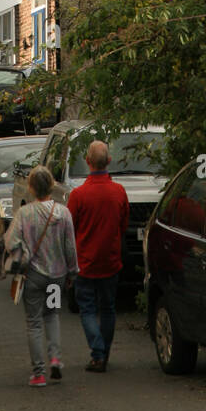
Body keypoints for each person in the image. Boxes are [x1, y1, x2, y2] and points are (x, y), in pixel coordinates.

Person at [4, 165, 78, 387]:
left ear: (31, 187)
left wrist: (23, 251)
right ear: (52, 186)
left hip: (33, 276)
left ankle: (38, 373)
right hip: (56, 276)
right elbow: (70, 247)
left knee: (34, 322)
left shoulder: (24, 213)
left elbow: (10, 242)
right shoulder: (63, 213)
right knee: (52, 315)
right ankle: (55, 358)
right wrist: (72, 271)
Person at [67, 140, 128, 373]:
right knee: (108, 308)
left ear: (87, 162)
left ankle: (98, 351)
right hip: (111, 260)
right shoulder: (119, 192)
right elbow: (123, 225)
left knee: (88, 309)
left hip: (85, 262)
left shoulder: (79, 195)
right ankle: (104, 352)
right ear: (109, 161)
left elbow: (70, 229)